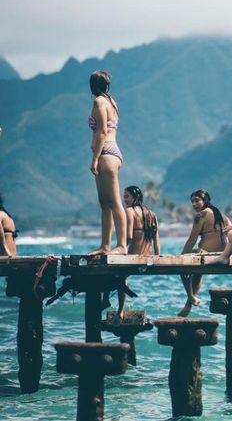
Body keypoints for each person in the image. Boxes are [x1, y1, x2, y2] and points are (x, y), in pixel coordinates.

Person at [87, 70, 127, 255]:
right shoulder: (112, 102)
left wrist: (94, 159)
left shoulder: (99, 102)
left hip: (106, 153)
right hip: (112, 152)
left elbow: (102, 131)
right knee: (105, 203)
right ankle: (105, 245)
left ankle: (121, 245)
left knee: (114, 202)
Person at [179, 189, 230, 317]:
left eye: (197, 201)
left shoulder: (201, 215)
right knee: (197, 274)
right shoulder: (221, 214)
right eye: (192, 202)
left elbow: (191, 240)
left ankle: (190, 297)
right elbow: (231, 232)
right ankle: (189, 304)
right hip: (221, 255)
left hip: (205, 253)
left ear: (205, 200)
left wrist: (180, 257)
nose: (194, 204)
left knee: (182, 269)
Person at [116, 185, 160, 319]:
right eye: (124, 197)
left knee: (118, 276)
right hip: (148, 256)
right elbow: (156, 238)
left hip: (134, 257)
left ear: (135, 197)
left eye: (127, 196)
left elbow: (129, 236)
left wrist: (121, 249)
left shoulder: (129, 211)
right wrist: (158, 257)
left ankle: (120, 310)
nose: (125, 200)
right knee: (120, 278)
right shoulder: (152, 214)